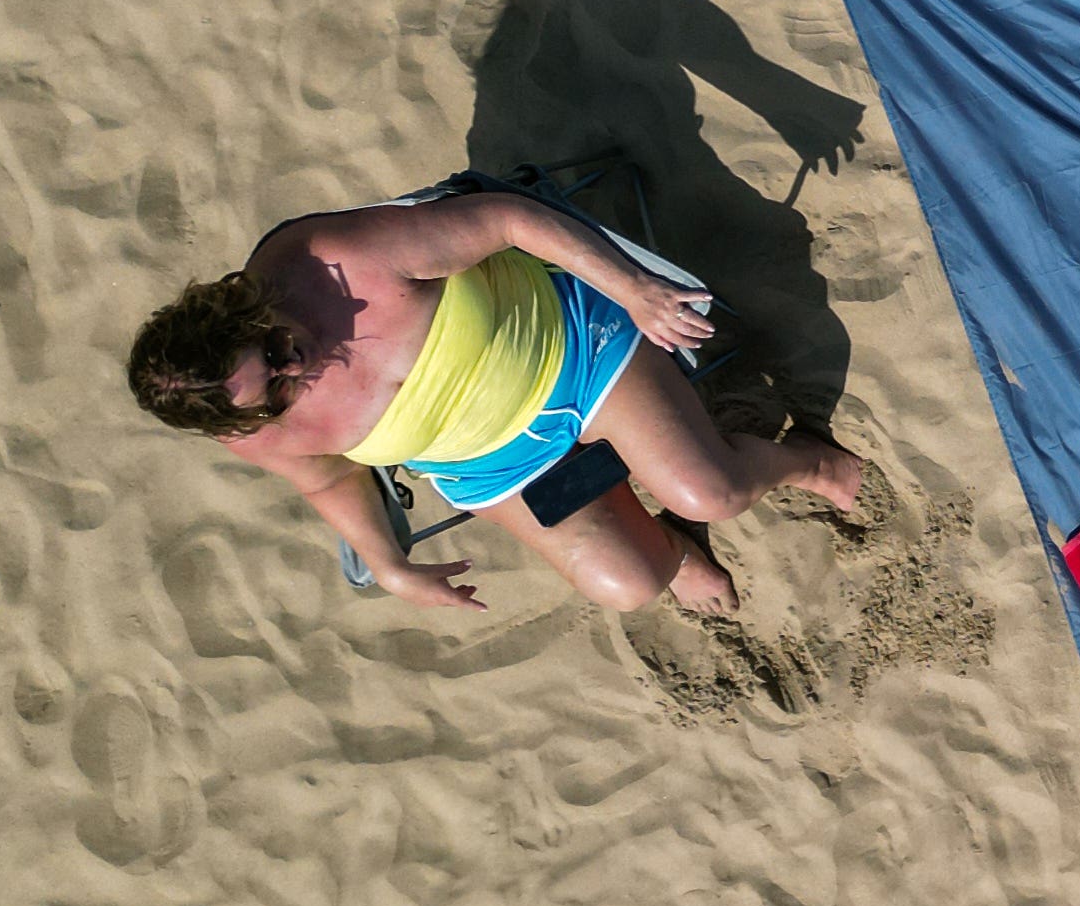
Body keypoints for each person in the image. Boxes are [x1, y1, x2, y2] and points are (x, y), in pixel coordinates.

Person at [126, 190, 859, 615]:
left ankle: (799, 462)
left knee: (711, 491)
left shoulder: (329, 259)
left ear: (245, 311)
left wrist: (633, 289)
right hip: (495, 462)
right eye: (277, 393)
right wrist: (388, 565)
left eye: (275, 349)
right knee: (629, 586)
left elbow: (506, 219)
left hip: (571, 349)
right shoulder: (253, 429)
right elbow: (328, 477)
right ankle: (670, 543)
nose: (298, 367)